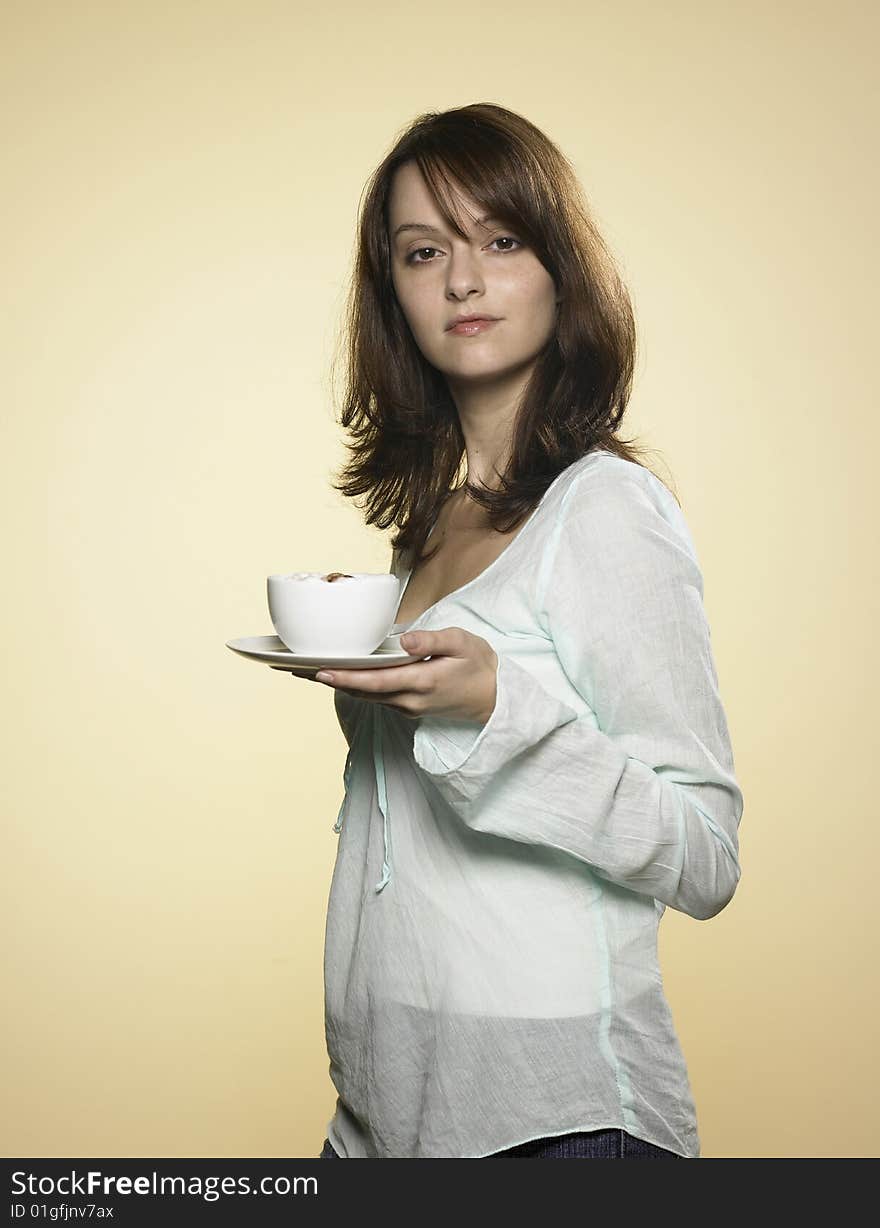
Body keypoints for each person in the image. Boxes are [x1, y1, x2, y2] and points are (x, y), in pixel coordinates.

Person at [303, 103, 743, 1159]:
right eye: (424, 252)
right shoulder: (428, 532)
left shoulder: (605, 512)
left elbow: (707, 854)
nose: (462, 280)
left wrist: (502, 710)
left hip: (554, 1120)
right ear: (393, 295)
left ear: (559, 270)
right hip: (383, 1109)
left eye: (500, 240)